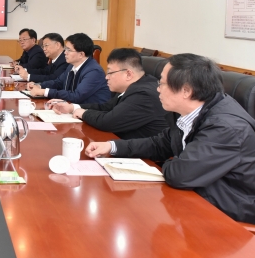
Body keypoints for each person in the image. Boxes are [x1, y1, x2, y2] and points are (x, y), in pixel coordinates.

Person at [85, 54, 255, 224]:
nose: (158, 89)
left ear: (186, 91)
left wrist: (169, 163)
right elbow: (160, 144)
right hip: (196, 198)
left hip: (227, 214)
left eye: (162, 83)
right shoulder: (188, 111)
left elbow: (180, 175)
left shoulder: (226, 128)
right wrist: (112, 146)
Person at [50, 48, 169, 139]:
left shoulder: (144, 94)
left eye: (110, 73)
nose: (106, 77)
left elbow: (108, 122)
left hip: (147, 159)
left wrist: (83, 113)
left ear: (128, 74)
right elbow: (107, 107)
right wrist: (72, 107)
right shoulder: (132, 86)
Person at [29, 33, 111, 104]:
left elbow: (76, 96)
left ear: (81, 54)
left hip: (91, 112)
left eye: (69, 50)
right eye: (65, 49)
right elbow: (58, 82)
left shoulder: (94, 71)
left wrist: (45, 92)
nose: (65, 52)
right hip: (73, 108)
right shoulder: (71, 65)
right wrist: (39, 85)